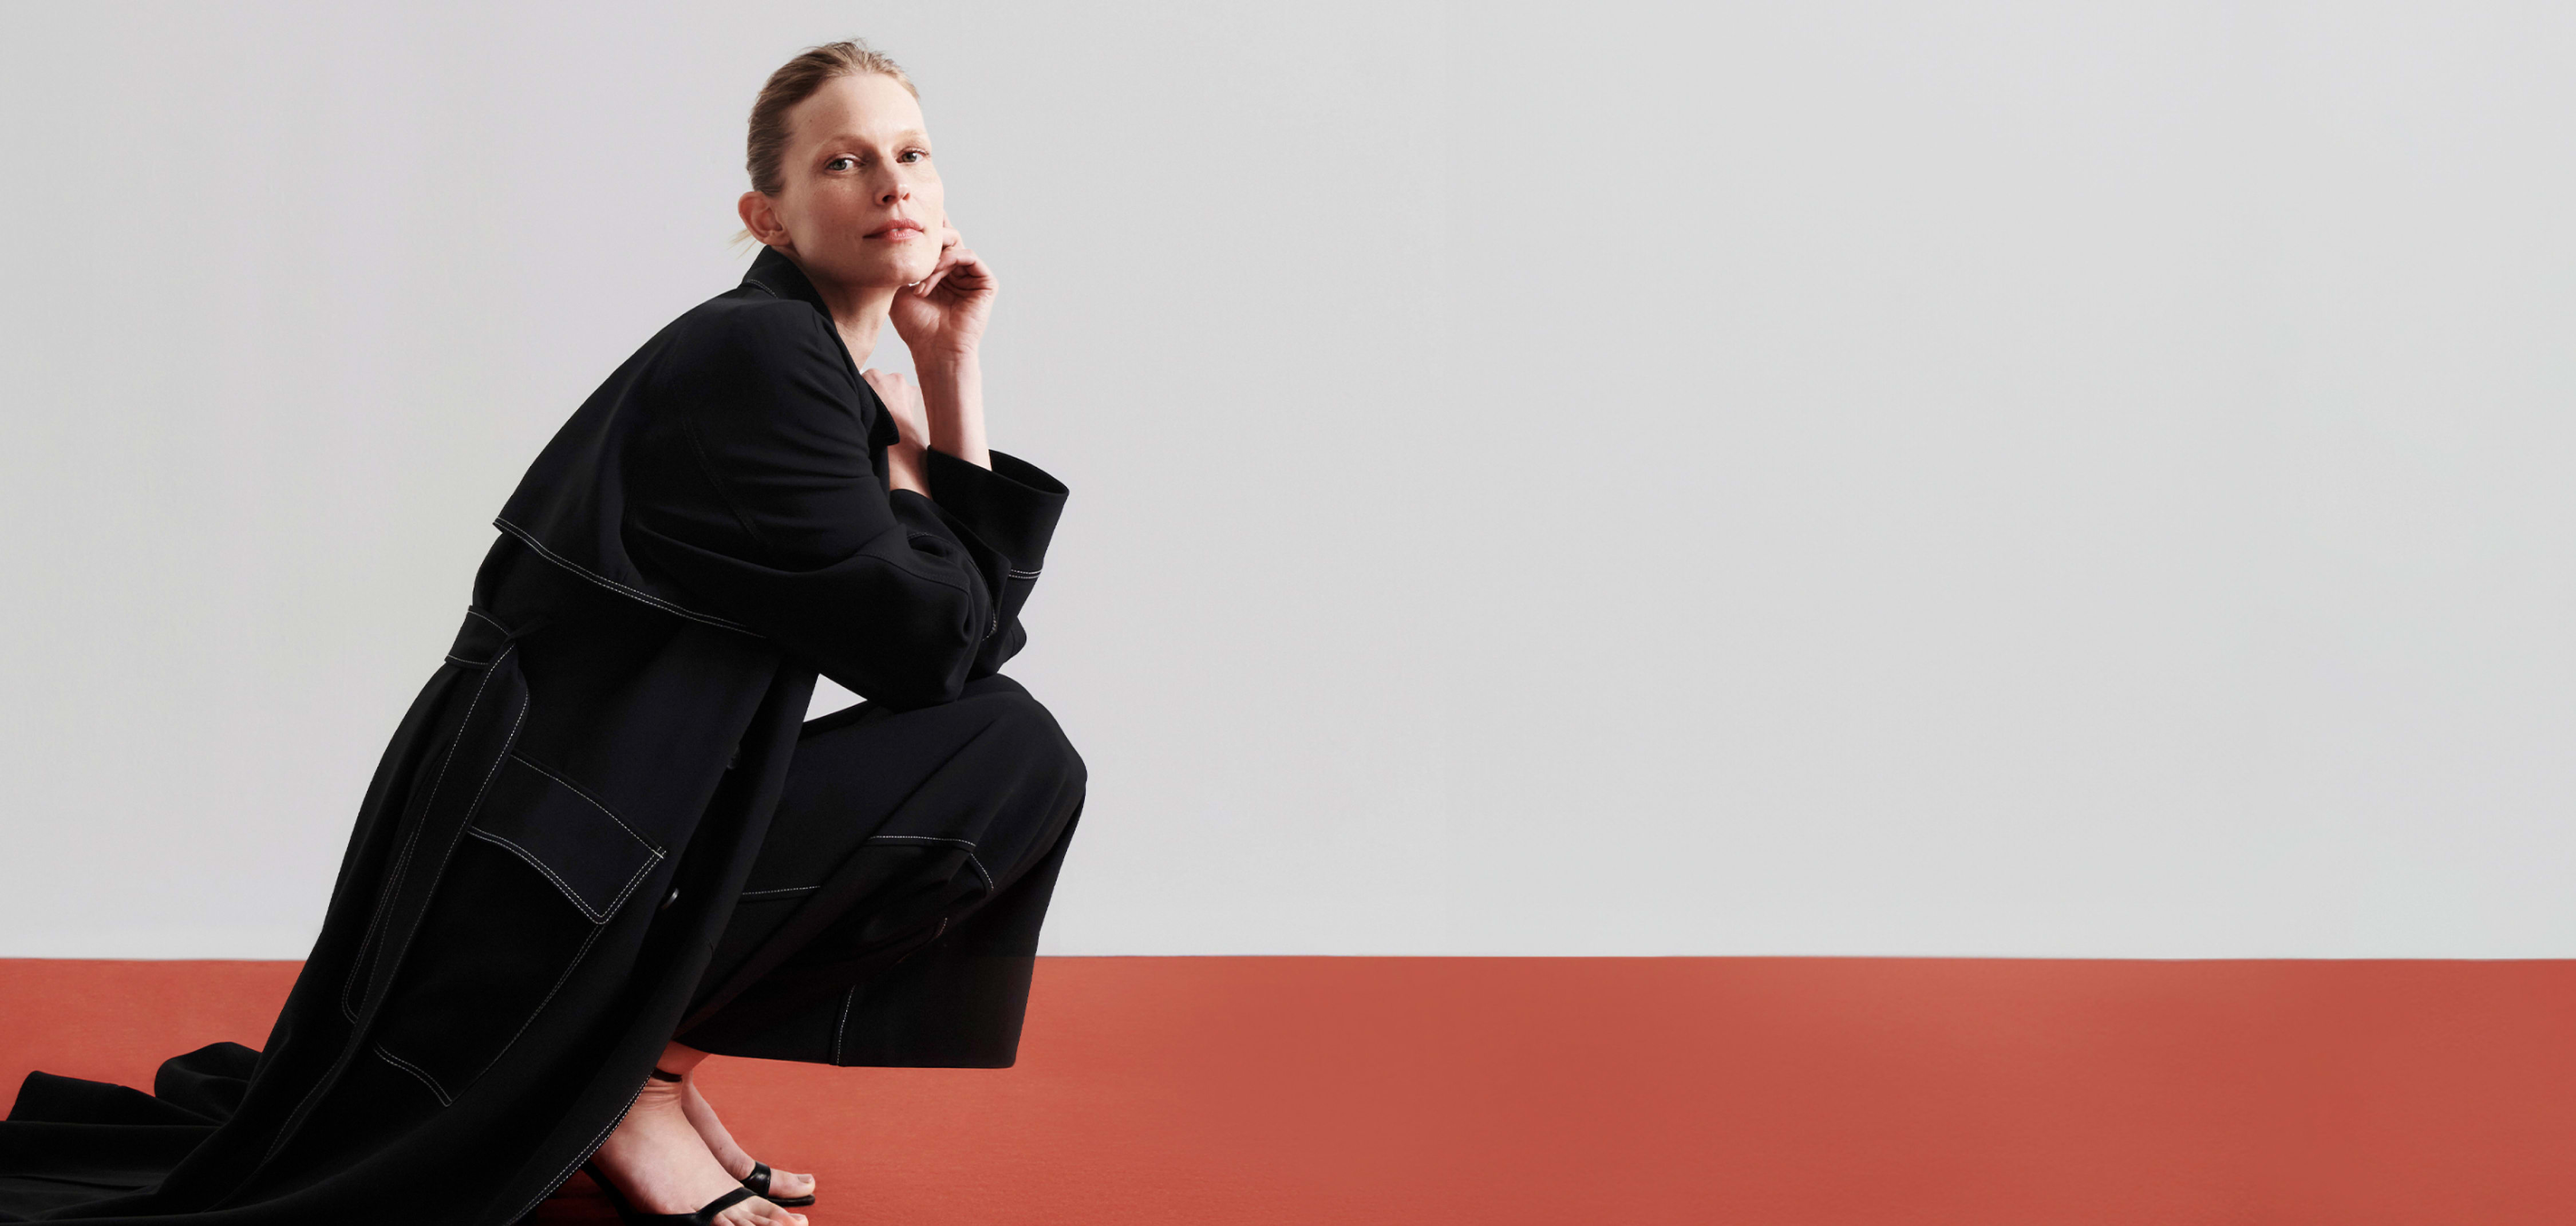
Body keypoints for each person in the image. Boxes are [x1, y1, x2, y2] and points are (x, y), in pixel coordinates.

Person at [0, 39, 1085, 1226]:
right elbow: (934, 648)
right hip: (547, 857)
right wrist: (932, 437)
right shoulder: (761, 356)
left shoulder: (812, 367)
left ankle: (642, 1081)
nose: (894, 183)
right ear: (767, 219)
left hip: (575, 828)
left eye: (913, 153)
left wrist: (948, 367)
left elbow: (957, 642)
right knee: (1003, 756)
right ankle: (624, 1087)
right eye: (845, 160)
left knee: (1001, 745)